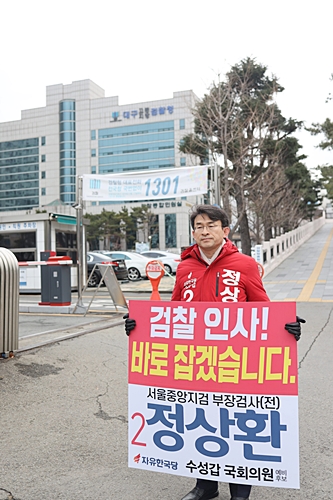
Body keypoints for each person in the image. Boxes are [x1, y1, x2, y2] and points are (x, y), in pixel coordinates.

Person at [124, 204, 304, 500]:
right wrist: (139, 326)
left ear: (225, 230)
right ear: (193, 232)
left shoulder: (244, 265)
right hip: (196, 362)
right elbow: (174, 314)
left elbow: (262, 307)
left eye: (210, 225)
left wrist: (288, 327)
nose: (204, 231)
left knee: (236, 420)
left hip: (236, 362)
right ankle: (205, 486)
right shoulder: (185, 267)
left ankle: (240, 492)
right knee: (200, 417)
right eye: (198, 226)